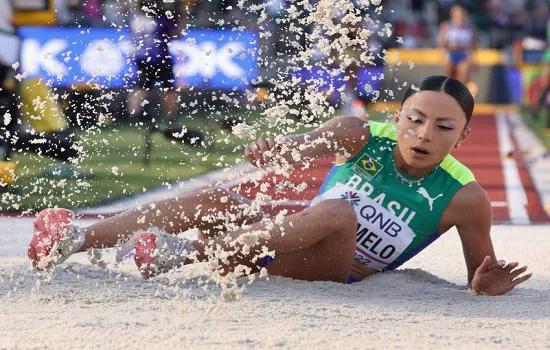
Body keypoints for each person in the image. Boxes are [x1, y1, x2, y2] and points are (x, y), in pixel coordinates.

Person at [28, 75, 532, 296]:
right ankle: (75, 237)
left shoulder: (465, 198)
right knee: (220, 199)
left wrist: (485, 286)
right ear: (397, 117)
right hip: (275, 239)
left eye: (443, 128)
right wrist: (278, 148)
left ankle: (179, 254)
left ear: (464, 137)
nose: (424, 135)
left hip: (329, 269)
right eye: (416, 120)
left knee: (340, 213)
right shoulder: (358, 135)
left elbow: (479, 275)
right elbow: (303, 144)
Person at [127, 0, 179, 122]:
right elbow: (175, 34)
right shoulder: (159, 20)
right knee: (168, 89)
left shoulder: (136, 19)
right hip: (160, 58)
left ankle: (132, 117)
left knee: (141, 87)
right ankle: (170, 118)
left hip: (141, 57)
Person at [438, 4, 478, 86]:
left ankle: (460, 94)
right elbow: (442, 44)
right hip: (451, 55)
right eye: (456, 15)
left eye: (461, 15)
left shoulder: (471, 27)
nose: (459, 18)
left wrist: (473, 60)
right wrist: (444, 55)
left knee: (462, 76)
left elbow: (473, 45)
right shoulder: (446, 26)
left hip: (464, 55)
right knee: (449, 80)